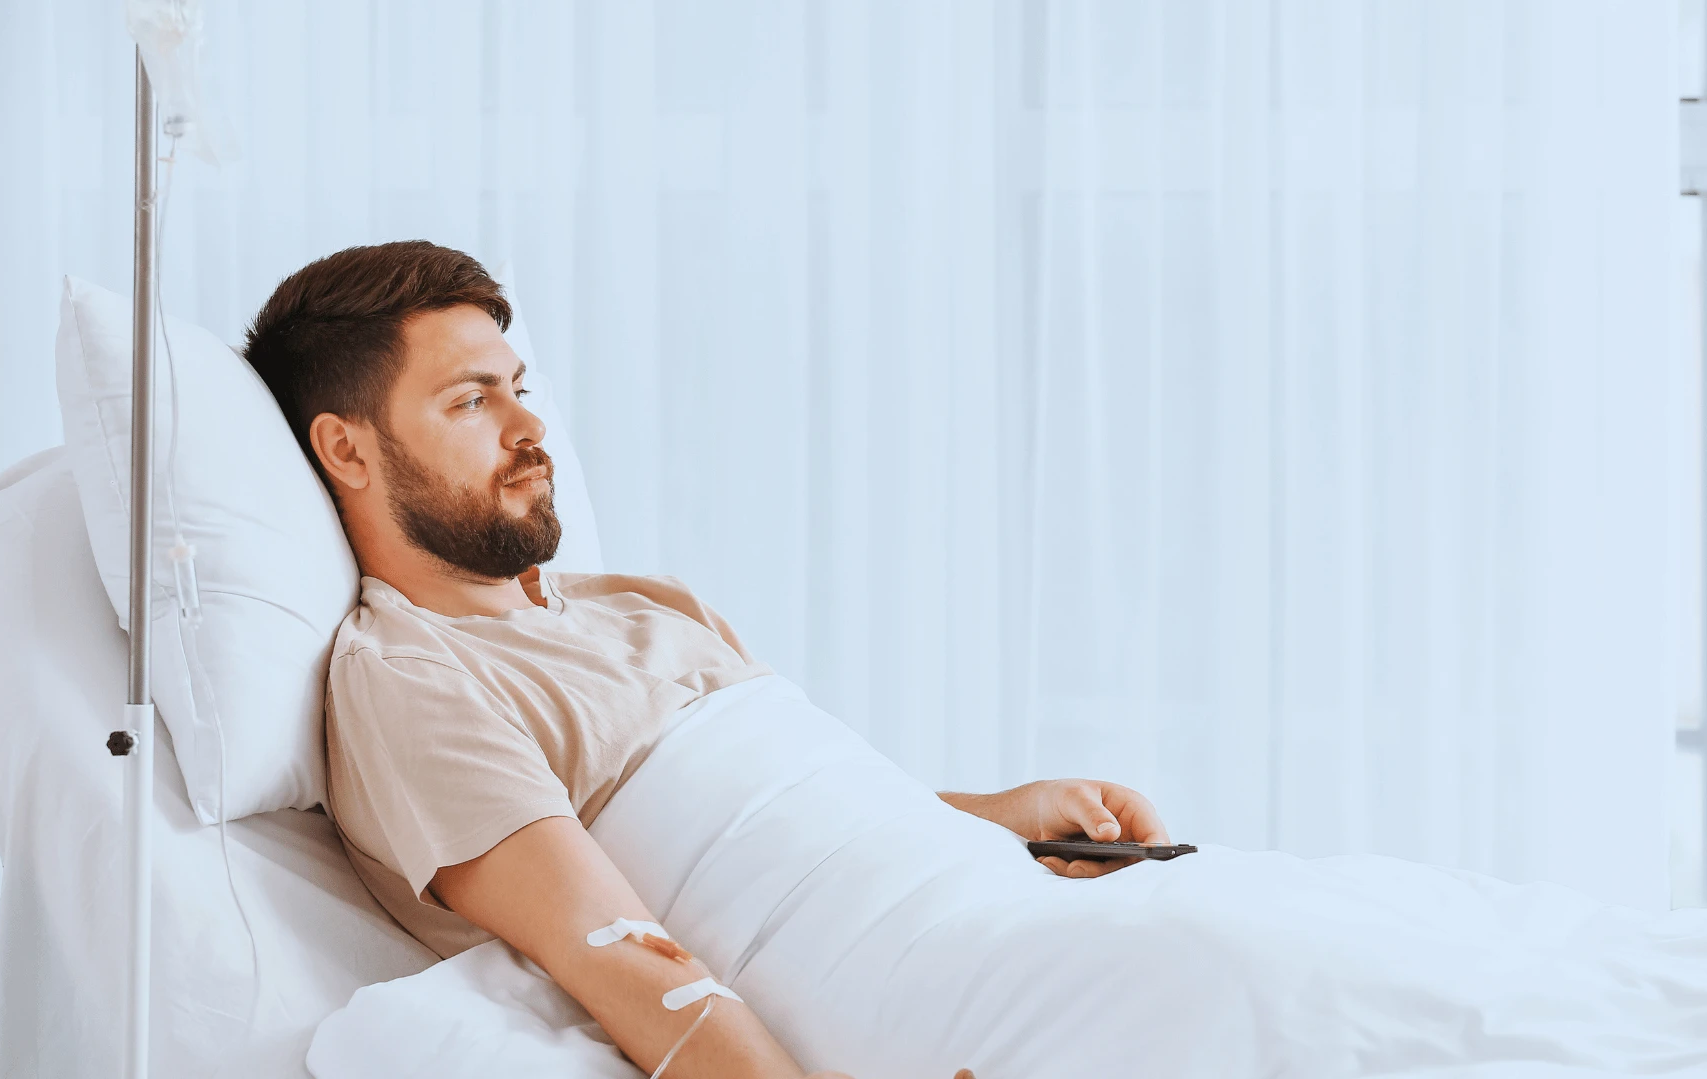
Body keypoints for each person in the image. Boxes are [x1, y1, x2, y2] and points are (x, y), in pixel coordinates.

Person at [242, 241, 1172, 1079]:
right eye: (471, 400)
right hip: (909, 989)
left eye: (520, 389)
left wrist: (999, 819)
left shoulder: (643, 602)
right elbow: (613, 950)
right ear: (345, 450)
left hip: (979, 908)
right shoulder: (412, 677)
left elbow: (800, 822)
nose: (529, 429)